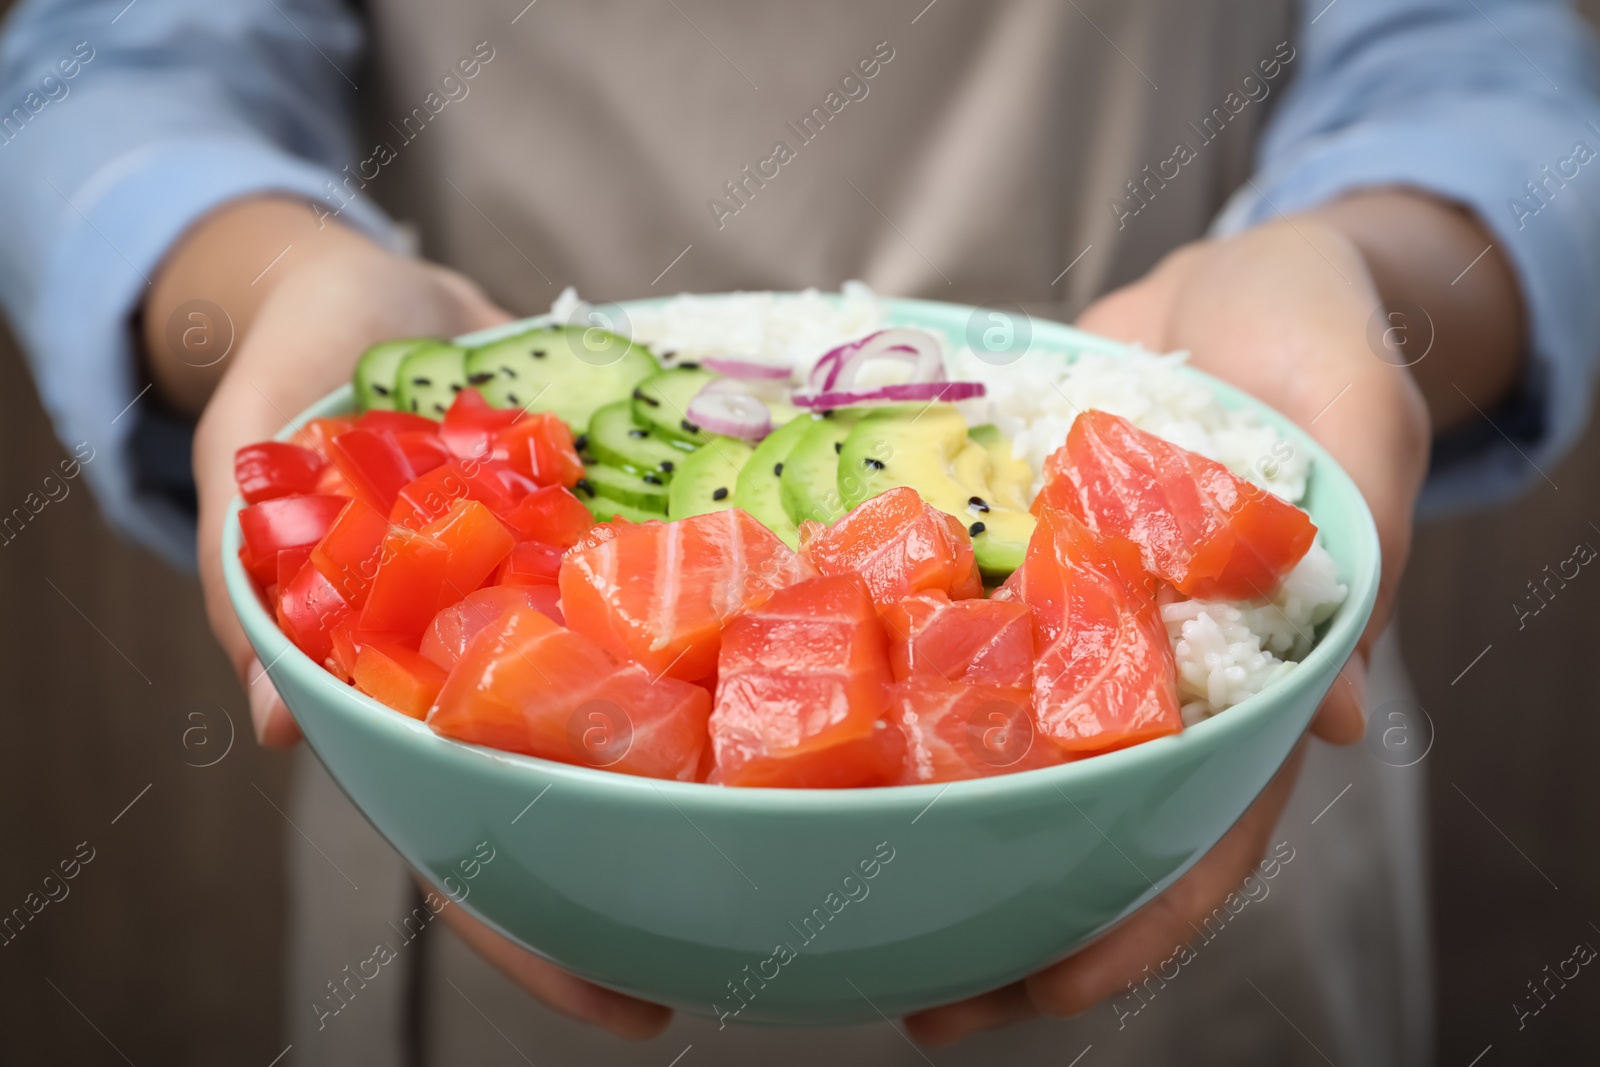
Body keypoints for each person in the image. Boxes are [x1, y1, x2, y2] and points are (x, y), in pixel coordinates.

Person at [3, 0, 1598, 1062]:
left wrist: (1358, 280)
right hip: (506, 841)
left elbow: (1487, 74)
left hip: (1173, 839)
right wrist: (275, 282)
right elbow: (116, 64)